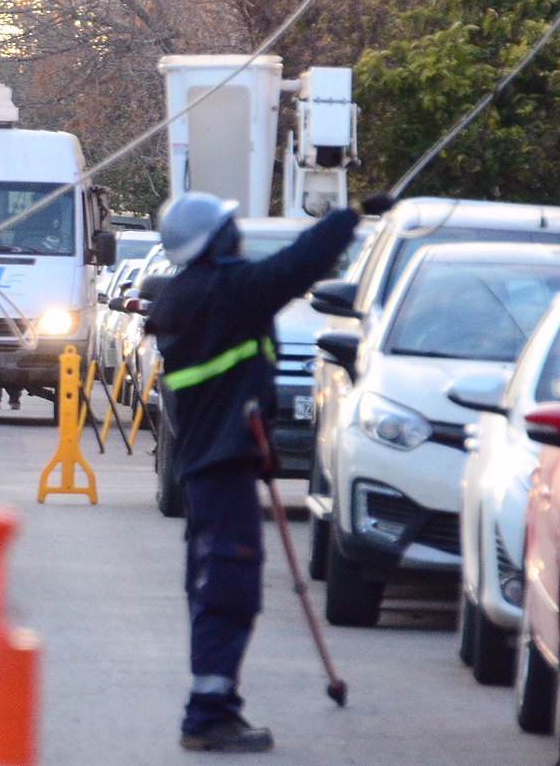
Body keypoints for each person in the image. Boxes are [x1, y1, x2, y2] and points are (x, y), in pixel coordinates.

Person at [145, 190, 382, 753]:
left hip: (215, 464)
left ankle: (215, 702)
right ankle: (208, 713)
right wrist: (349, 218)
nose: (239, 237)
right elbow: (296, 265)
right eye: (230, 227)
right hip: (220, 467)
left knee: (217, 583)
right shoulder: (225, 293)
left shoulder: (193, 295)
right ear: (214, 240)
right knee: (228, 586)